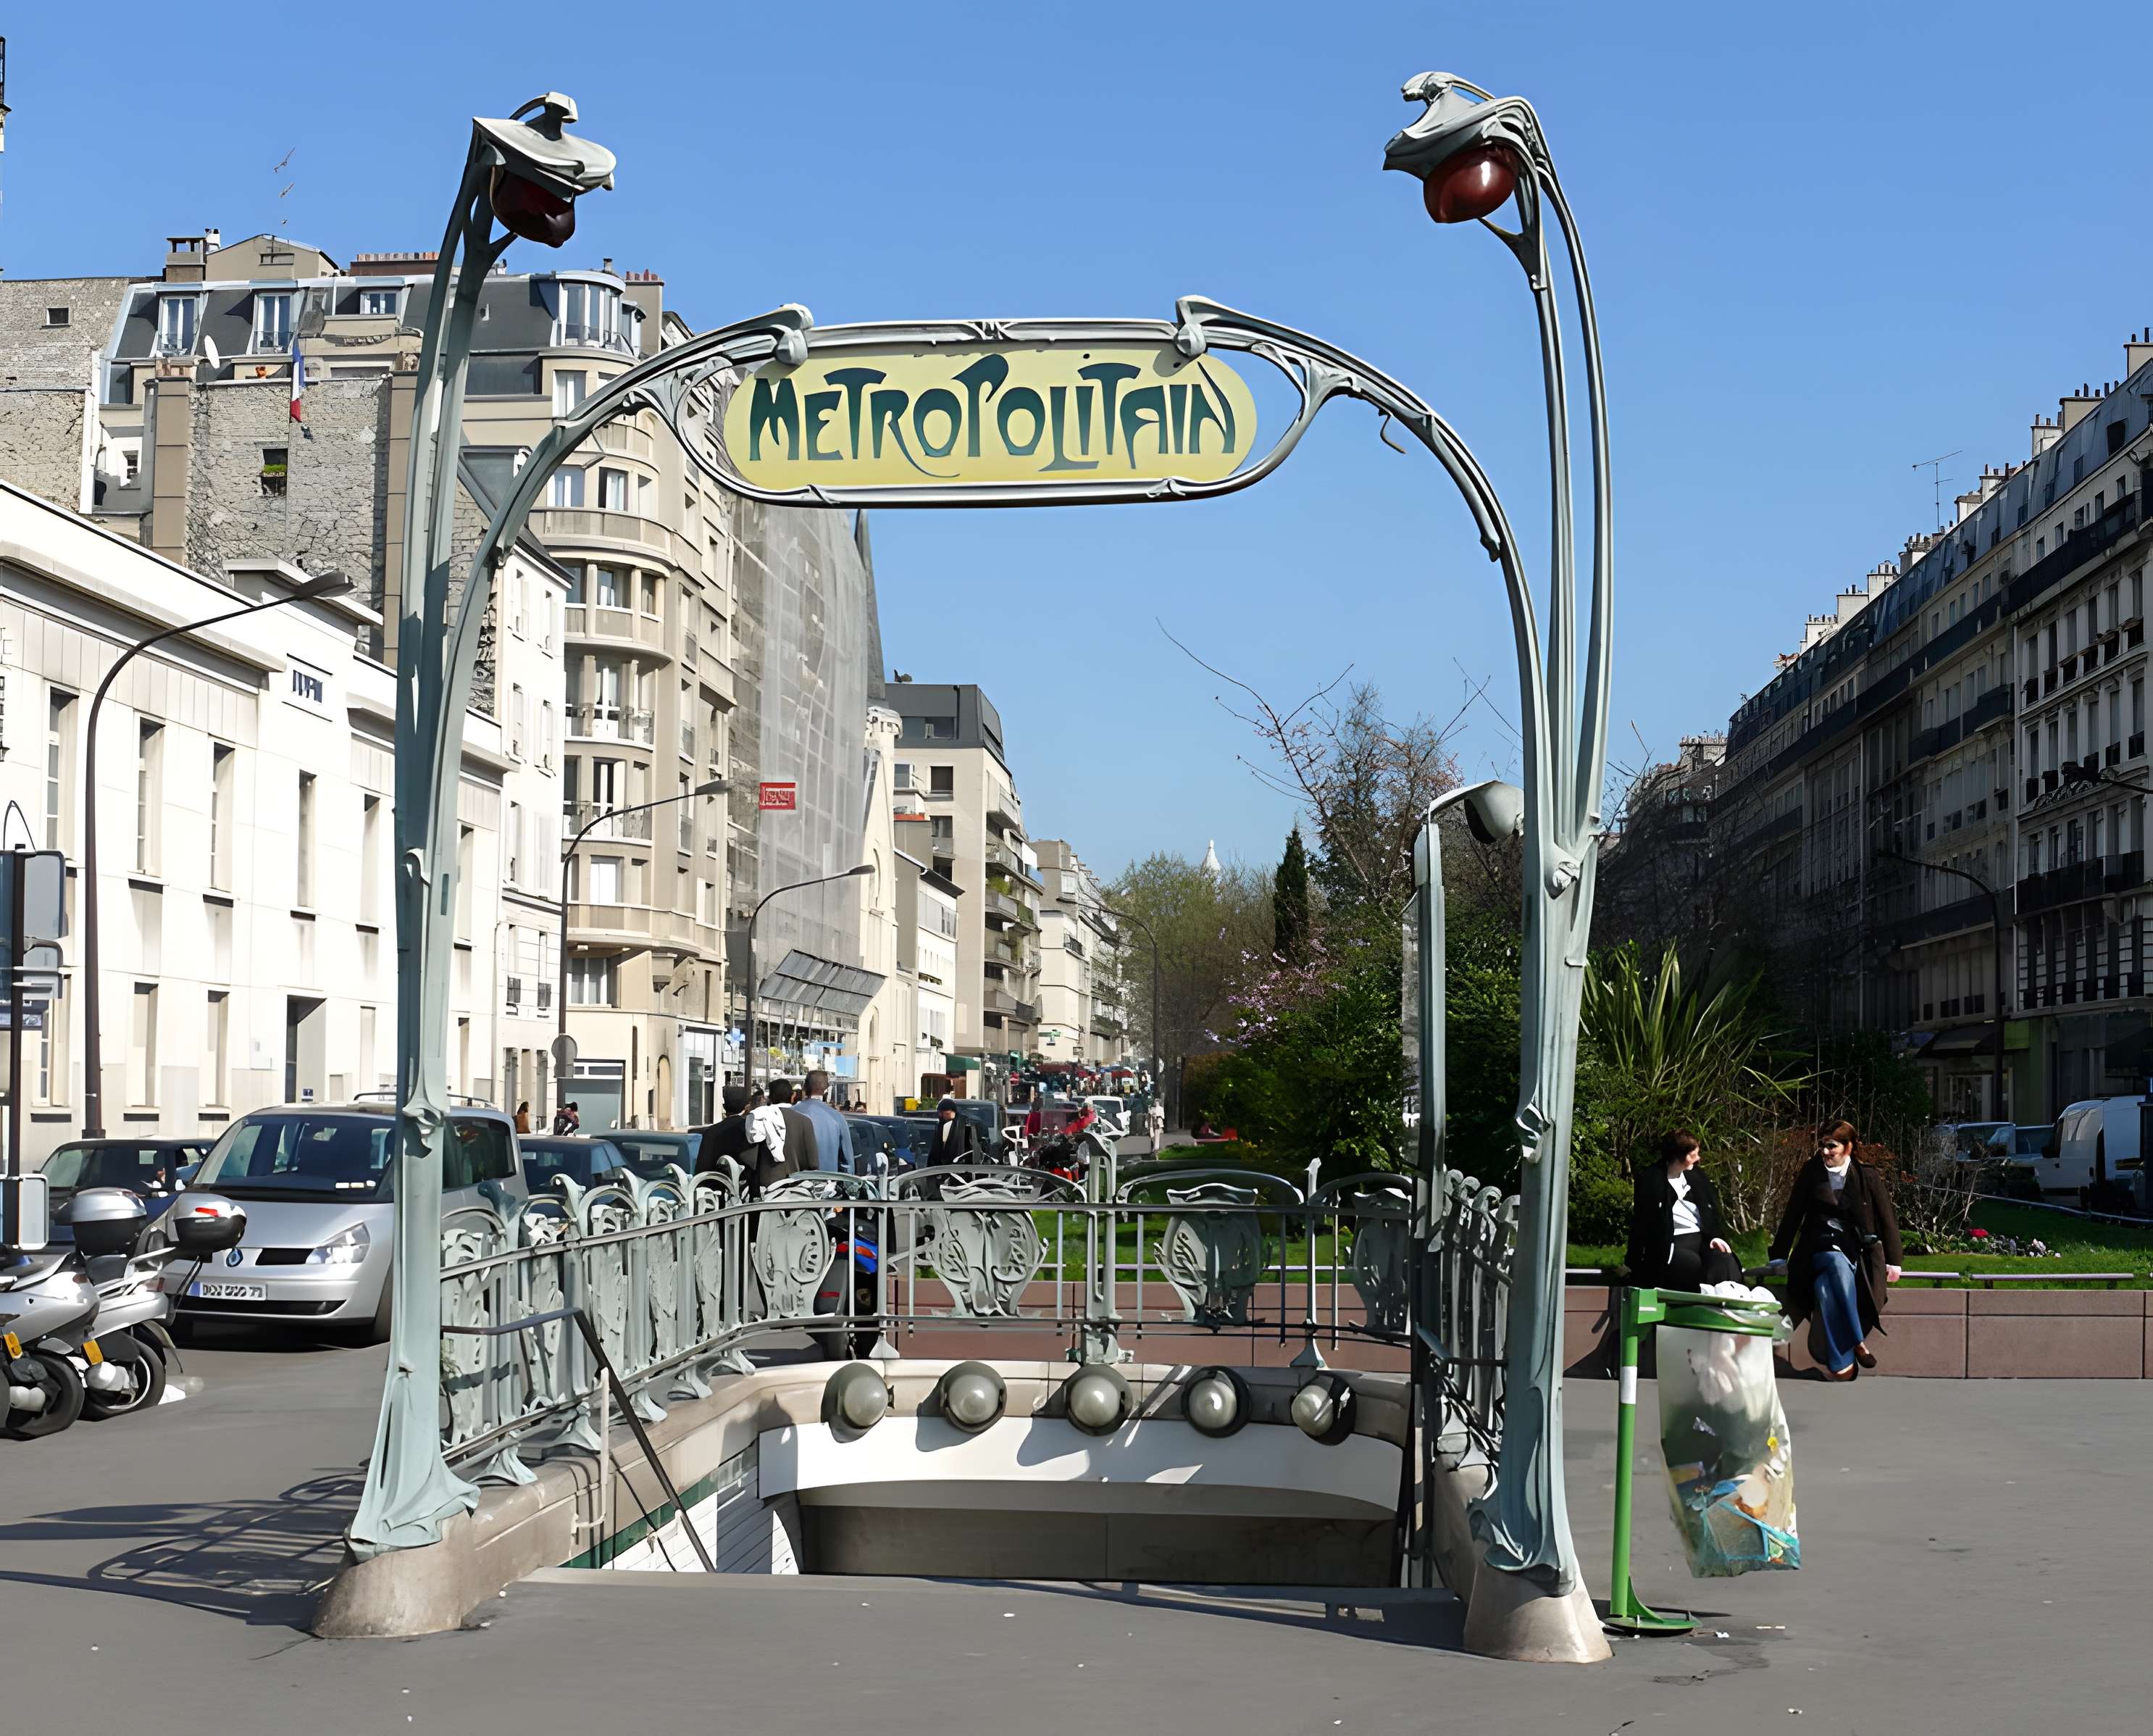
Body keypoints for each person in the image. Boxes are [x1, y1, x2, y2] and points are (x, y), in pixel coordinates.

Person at [1769, 1119, 1903, 1381]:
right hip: (1815, 1249)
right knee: (1835, 1264)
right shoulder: (1811, 1172)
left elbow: (1887, 1218)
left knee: (1825, 1288)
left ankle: (1840, 1366)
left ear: (1849, 1147)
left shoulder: (1867, 1175)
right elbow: (1793, 1214)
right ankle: (1857, 1341)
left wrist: (1894, 1260)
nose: (1825, 1151)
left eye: (1832, 1146)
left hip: (1855, 1251)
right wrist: (1779, 1255)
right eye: (1822, 1146)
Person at [1625, 1130, 1742, 1291]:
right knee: (1691, 1265)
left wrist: (1715, 1237)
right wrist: (1634, 1263)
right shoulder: (1652, 1180)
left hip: (1700, 1239)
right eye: (1693, 1154)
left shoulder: (1696, 1176)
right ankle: (1696, 1300)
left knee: (1724, 1261)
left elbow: (1711, 1212)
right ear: (1681, 1156)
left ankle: (1732, 1297)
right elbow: (1641, 1223)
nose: (1698, 1158)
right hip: (1673, 1243)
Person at [793, 1069, 858, 1174]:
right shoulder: (837, 1117)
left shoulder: (791, 1114)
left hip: (796, 1184)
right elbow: (847, 1162)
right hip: (828, 1185)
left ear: (805, 1086)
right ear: (826, 1089)